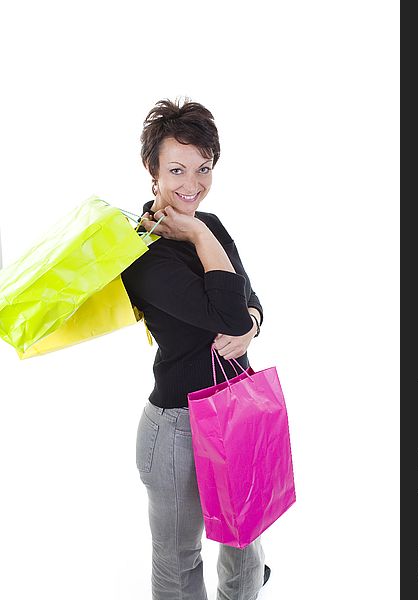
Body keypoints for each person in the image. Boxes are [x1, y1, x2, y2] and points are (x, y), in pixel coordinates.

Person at [121, 98, 270, 600]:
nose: (193, 184)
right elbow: (224, 314)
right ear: (152, 170)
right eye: (177, 169)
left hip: (237, 408)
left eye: (204, 168)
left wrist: (253, 322)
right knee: (180, 563)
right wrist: (201, 234)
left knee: (245, 540)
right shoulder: (140, 251)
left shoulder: (213, 226)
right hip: (177, 430)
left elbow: (247, 304)